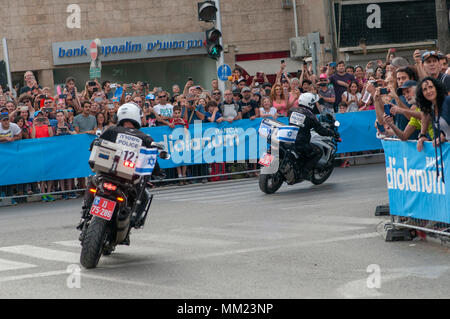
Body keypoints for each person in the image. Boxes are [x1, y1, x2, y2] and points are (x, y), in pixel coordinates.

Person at [79, 103, 165, 242]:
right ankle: (133, 222)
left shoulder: (111, 130)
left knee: (92, 181)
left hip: (107, 174)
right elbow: (151, 159)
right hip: (128, 181)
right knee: (145, 196)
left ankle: (84, 215)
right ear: (137, 117)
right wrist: (158, 171)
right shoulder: (145, 137)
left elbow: (97, 143)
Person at [287, 93, 337, 179]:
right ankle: (305, 172)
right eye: (313, 103)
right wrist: (332, 133)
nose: (314, 105)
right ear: (309, 104)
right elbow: (321, 131)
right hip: (300, 142)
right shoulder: (311, 117)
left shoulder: (292, 110)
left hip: (288, 139)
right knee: (318, 152)